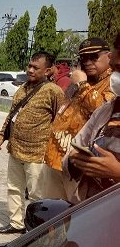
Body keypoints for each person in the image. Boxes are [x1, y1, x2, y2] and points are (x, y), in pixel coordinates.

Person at [0, 51, 64, 234]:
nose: (30, 70)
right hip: (15, 149)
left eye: (35, 67)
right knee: (13, 188)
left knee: (36, 195)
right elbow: (11, 115)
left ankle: (36, 228)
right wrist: (1, 137)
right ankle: (16, 223)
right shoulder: (23, 88)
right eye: (29, 66)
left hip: (38, 153)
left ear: (47, 71)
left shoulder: (54, 91)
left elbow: (61, 120)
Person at [44, 37, 115, 200]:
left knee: (74, 217)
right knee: (51, 213)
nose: (88, 62)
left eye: (94, 57)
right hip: (56, 156)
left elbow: (104, 109)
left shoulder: (113, 81)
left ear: (109, 56)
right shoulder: (83, 79)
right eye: (84, 58)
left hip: (78, 165)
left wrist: (82, 84)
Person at [62, 34, 120, 204]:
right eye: (83, 58)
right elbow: (79, 142)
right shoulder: (109, 108)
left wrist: (117, 171)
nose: (113, 58)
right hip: (94, 209)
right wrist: (75, 159)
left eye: (93, 57)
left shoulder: (93, 89)